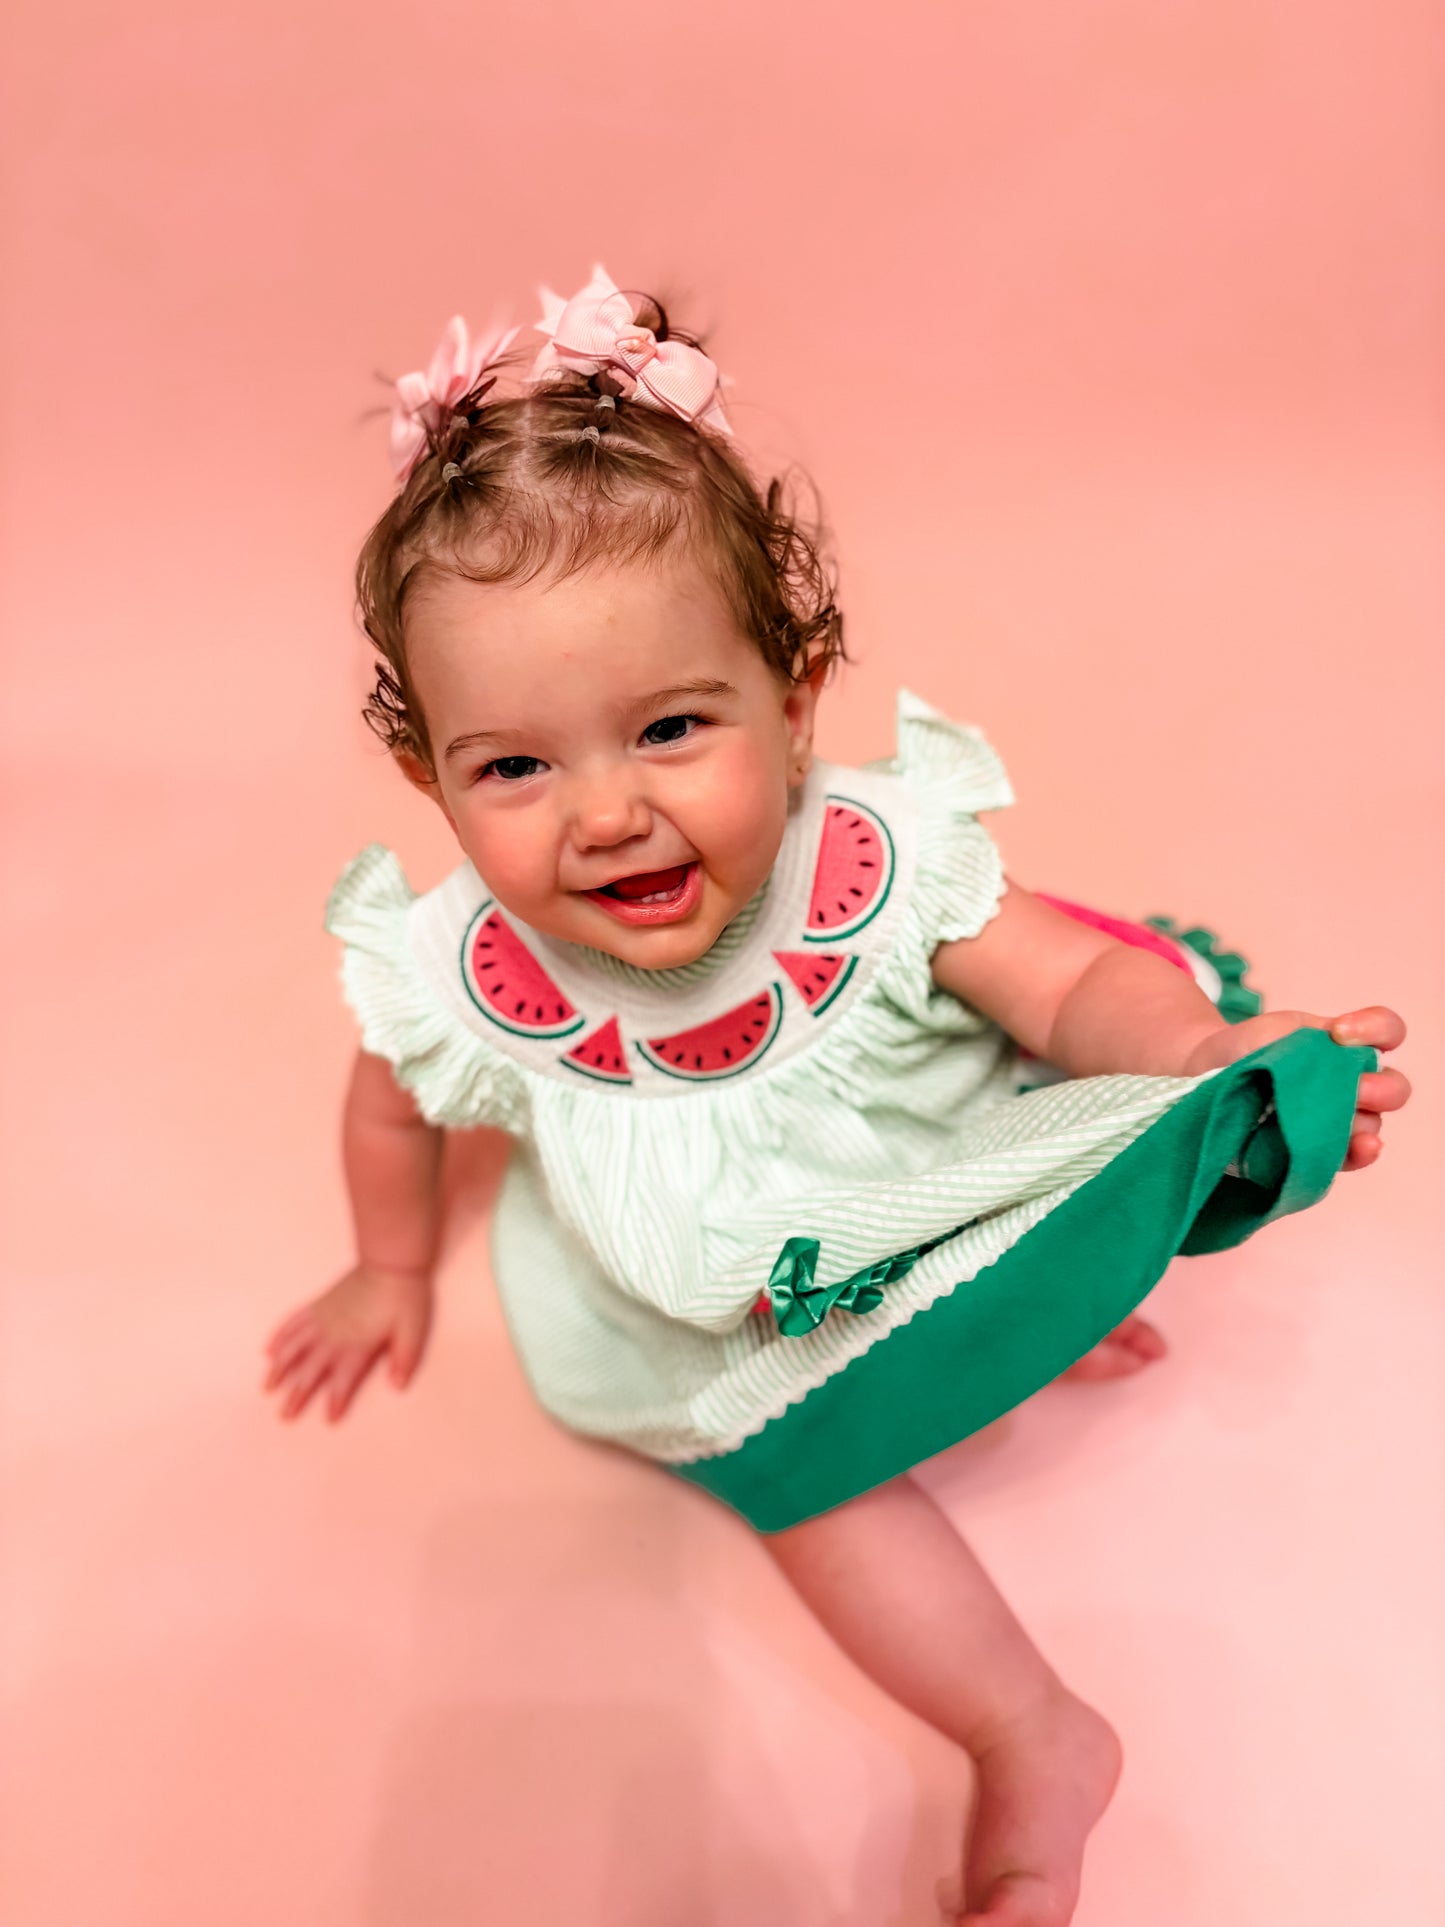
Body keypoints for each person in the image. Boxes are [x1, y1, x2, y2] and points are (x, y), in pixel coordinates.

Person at [261, 265, 1409, 1926]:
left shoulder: (864, 864)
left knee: (1079, 1144)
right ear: (427, 774)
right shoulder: (466, 968)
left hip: (921, 1176)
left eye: (670, 727)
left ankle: (1036, 1302)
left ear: (794, 704)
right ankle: (1028, 1728)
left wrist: (1184, 1058)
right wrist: (386, 1260)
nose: (604, 817)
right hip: (733, 1299)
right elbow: (389, 1107)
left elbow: (1070, 984)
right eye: (513, 765)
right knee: (813, 1491)